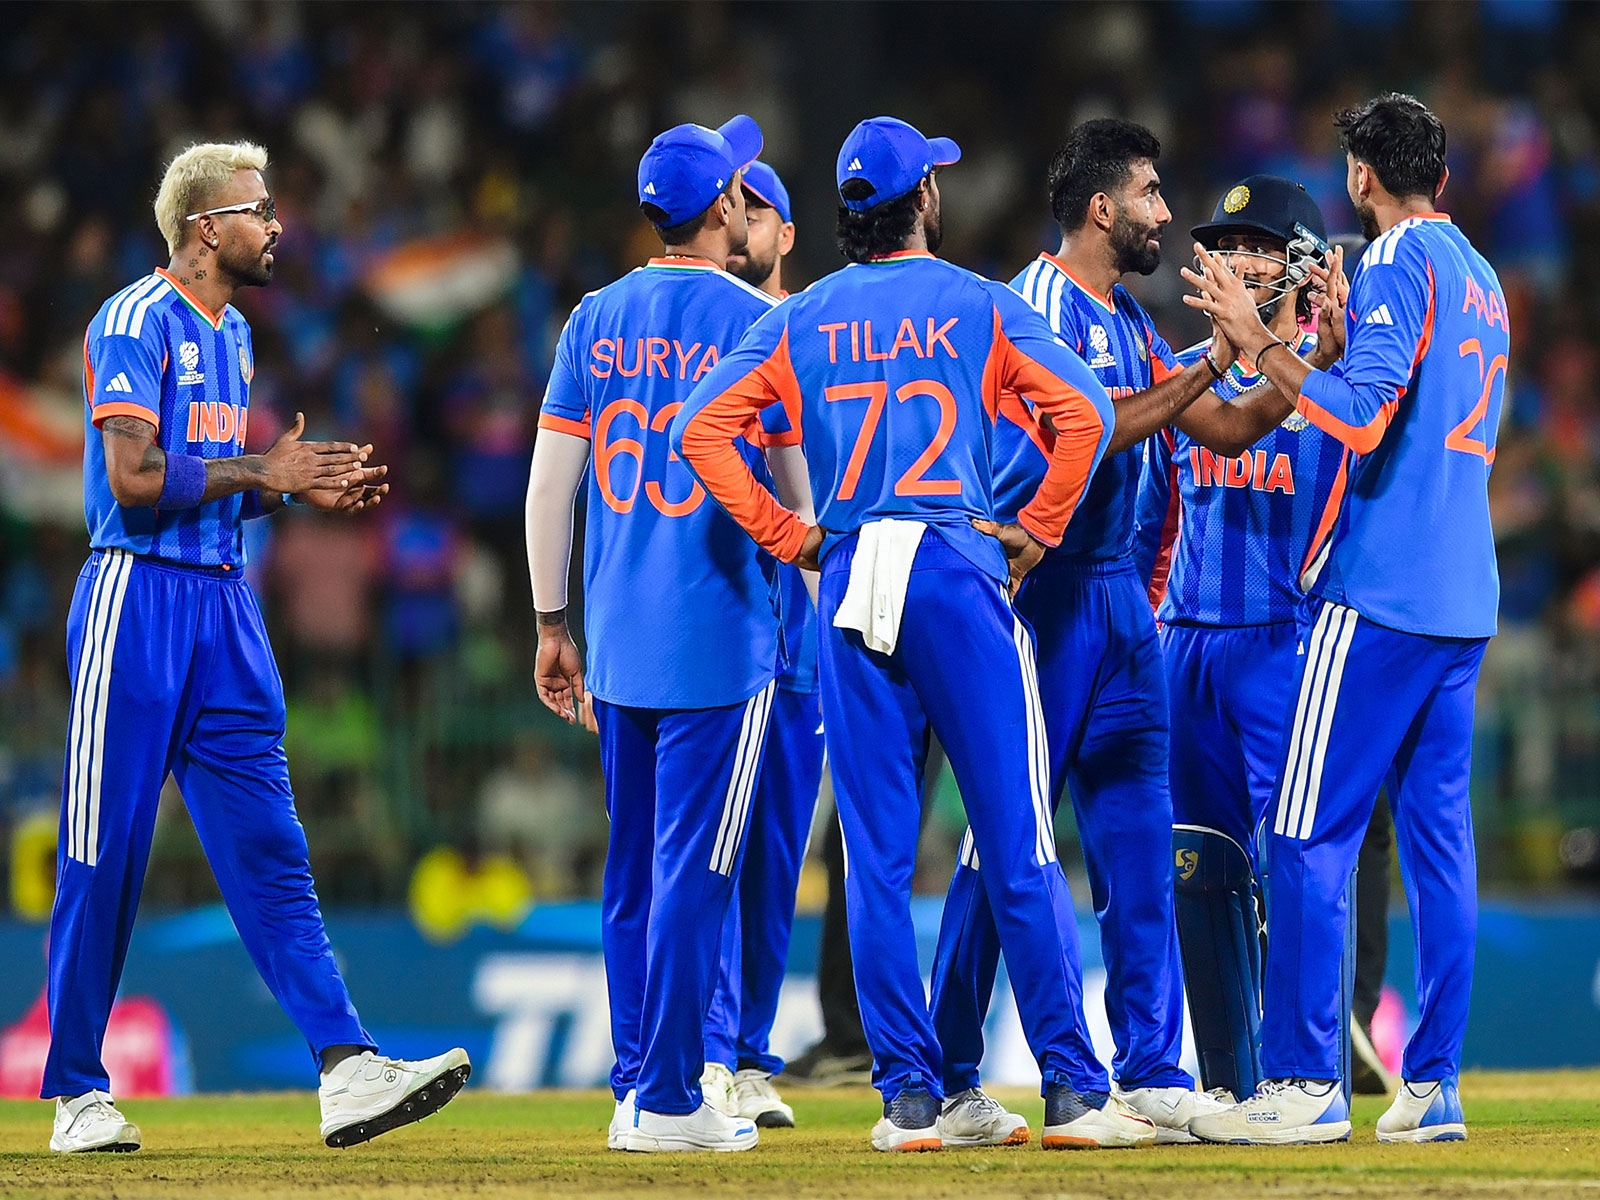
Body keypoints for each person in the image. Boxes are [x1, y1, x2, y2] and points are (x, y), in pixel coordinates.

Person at [676, 114, 1156, 1154]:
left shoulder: (802, 316)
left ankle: (911, 1102)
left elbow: (699, 430)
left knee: (875, 860)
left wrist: (790, 535)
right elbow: (1080, 409)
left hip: (850, 576)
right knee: (1018, 839)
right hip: (954, 565)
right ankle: (1073, 1091)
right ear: (923, 201)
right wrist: (1036, 529)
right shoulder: (974, 303)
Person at [45, 140, 468, 1156]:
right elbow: (136, 481)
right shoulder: (134, 320)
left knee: (273, 849)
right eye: (259, 209)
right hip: (133, 604)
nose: (277, 226)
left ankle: (344, 1066)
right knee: (105, 853)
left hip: (224, 610)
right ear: (203, 229)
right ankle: (74, 1095)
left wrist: (290, 487)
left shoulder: (233, 332)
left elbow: (224, 478)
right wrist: (261, 469)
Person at [1186, 93, 1507, 1145]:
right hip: (1462, 599)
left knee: (1305, 833)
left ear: (1361, 178)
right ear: (1441, 178)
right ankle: (1432, 1089)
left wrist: (1256, 342)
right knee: (1439, 851)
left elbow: (1361, 419)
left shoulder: (1393, 265)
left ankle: (1302, 1084)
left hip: (1377, 596)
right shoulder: (1482, 279)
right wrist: (1334, 331)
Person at [928, 117, 1234, 1144]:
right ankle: (945, 1069)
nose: (1163, 211)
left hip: (1118, 607)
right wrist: (1216, 357)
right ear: (1100, 208)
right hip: (1040, 596)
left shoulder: (1127, 314)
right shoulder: (1033, 306)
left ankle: (1150, 1068)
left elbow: (1213, 422)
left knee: (1137, 841)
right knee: (1003, 844)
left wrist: (1286, 349)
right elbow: (1097, 424)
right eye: (1149, 193)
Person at [525, 116, 812, 1154]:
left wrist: (553, 622)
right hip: (720, 641)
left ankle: (633, 1082)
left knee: (634, 876)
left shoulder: (592, 318)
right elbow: (790, 492)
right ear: (725, 207)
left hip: (618, 641)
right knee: (701, 874)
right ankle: (679, 1098)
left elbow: (549, 487)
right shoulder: (754, 320)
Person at [1130, 175, 1346, 1103]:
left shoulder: (1336, 380)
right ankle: (1229, 1085)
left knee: (1296, 865)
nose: (1239, 260)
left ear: (1300, 261)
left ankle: (1311, 1077)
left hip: (1285, 649)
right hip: (1186, 649)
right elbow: (1150, 524)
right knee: (1199, 866)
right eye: (1228, 243)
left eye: (1259, 244)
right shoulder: (1184, 371)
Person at [701, 161, 824, 1130]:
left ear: (787, 234)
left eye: (756, 210)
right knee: (713, 851)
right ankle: (705, 1050)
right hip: (721, 619)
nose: (737, 221)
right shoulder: (699, 330)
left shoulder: (819, 331)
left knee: (776, 854)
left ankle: (747, 1052)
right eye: (729, 205)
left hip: (805, 624)